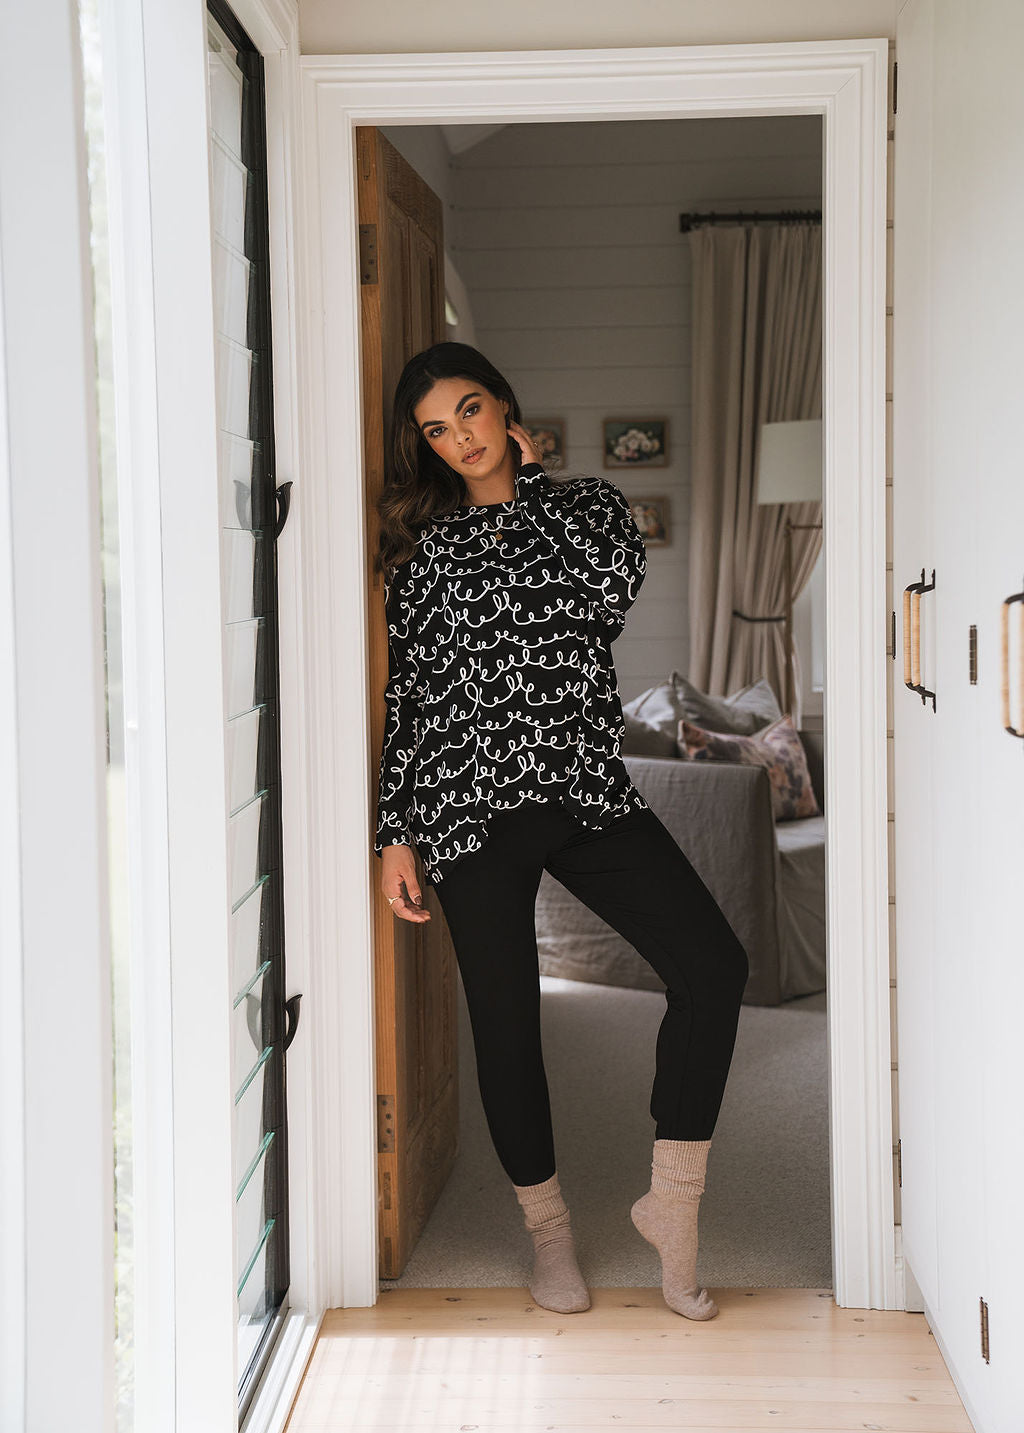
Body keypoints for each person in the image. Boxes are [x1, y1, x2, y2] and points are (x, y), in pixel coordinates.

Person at [372, 341, 749, 1320]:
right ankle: (549, 1235)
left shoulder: (588, 510)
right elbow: (411, 695)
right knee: (506, 1029)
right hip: (466, 808)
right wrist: (394, 832)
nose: (459, 438)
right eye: (435, 429)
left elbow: (604, 601)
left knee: (713, 966)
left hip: (585, 795)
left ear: (504, 407)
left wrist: (532, 486)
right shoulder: (419, 548)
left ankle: (672, 1204)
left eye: (469, 411)